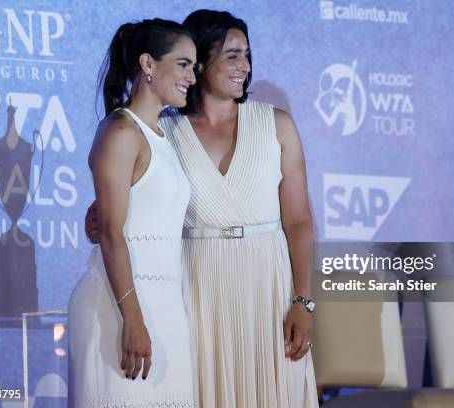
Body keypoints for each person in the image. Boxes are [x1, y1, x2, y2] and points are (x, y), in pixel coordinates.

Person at [86, 10, 318, 407]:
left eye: (247, 54)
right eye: (232, 55)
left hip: (269, 285)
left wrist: (303, 300)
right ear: (202, 60)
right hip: (196, 288)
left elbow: (298, 222)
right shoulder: (165, 131)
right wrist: (98, 221)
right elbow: (109, 219)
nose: (244, 66)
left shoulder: (277, 125)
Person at [69, 18, 197, 407]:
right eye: (183, 64)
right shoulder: (121, 132)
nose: (192, 77)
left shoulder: (166, 135)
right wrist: (133, 320)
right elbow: (110, 232)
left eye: (194, 66)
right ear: (148, 64)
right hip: (120, 308)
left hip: (166, 308)